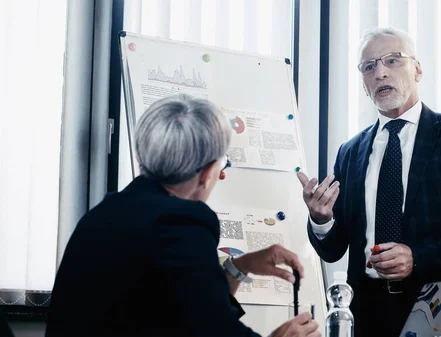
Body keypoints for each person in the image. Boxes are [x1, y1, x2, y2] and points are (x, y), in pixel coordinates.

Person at [46, 94, 320, 337]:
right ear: (208, 173)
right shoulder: (181, 222)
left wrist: (242, 265)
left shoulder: (104, 214)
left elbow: (191, 308)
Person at [297, 27, 441, 337]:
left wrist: (416, 257)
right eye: (369, 66)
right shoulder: (350, 152)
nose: (380, 73)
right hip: (367, 312)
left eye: (393, 61)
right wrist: (321, 219)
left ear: (417, 69)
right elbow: (334, 248)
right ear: (364, 83)